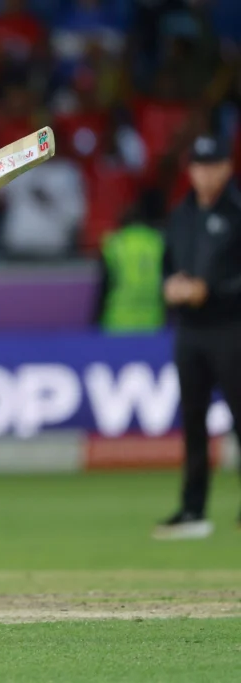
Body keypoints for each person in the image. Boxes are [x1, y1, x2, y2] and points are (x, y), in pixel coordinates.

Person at [153, 134, 241, 541]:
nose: (204, 173)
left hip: (231, 328)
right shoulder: (181, 215)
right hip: (190, 331)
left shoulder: (237, 211)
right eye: (198, 166)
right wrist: (170, 287)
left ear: (226, 167)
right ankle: (193, 510)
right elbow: (168, 264)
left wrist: (213, 290)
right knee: (192, 421)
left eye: (212, 165)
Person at [93, 191, 166, 334]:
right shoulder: (157, 242)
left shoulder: (114, 244)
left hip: (118, 321)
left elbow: (104, 285)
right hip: (153, 322)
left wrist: (95, 319)